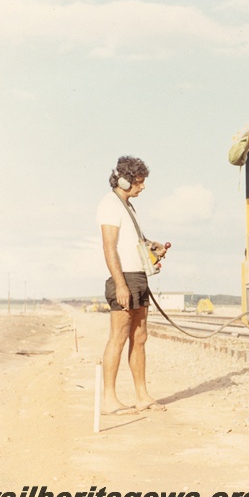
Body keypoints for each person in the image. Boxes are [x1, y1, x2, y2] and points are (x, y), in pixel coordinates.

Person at [96, 155, 168, 415]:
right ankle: (109, 400)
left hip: (138, 277)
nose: (143, 187)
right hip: (123, 278)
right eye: (139, 182)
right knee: (118, 338)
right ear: (125, 180)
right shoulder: (109, 205)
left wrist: (152, 247)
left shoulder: (128, 207)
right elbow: (109, 247)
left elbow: (131, 242)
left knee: (140, 337)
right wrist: (121, 285)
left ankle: (142, 396)